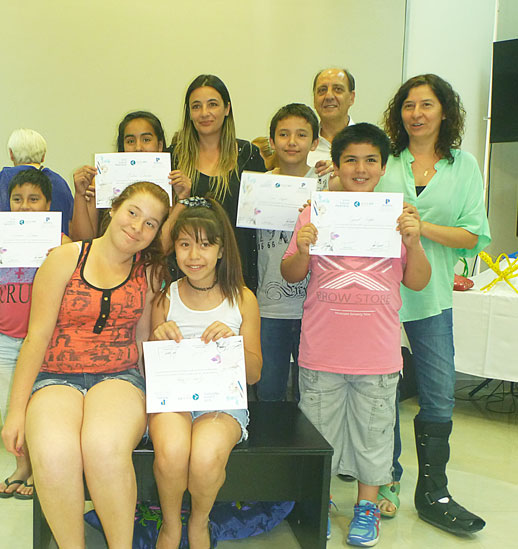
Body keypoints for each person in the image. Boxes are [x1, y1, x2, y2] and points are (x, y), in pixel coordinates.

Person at [282, 123, 431, 546]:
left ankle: (367, 505)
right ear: (336, 165)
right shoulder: (315, 213)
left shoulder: (399, 217)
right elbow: (291, 272)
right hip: (321, 350)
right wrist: (303, 249)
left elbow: (418, 281)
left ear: (383, 167)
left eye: (370, 160)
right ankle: (320, 501)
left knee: (373, 435)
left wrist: (414, 243)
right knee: (318, 434)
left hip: (377, 354)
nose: (360, 169)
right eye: (350, 160)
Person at [1, 181, 170, 548]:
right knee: (53, 452)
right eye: (133, 213)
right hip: (55, 377)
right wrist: (16, 412)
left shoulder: (150, 272)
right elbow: (36, 338)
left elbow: (143, 342)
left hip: (120, 376)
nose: (137, 227)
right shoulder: (64, 258)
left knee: (103, 446)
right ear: (114, 209)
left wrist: (157, 406)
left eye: (150, 223)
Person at [375, 74, 490, 535]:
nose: (416, 114)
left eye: (426, 105)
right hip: (379, 296)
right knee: (383, 391)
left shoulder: (464, 166)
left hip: (432, 294)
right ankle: (385, 479)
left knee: (440, 392)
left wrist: (421, 228)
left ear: (445, 111)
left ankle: (433, 492)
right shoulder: (385, 160)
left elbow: (473, 234)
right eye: (408, 105)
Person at [149, 197, 261, 549]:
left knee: (205, 456)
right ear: (174, 249)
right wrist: (157, 339)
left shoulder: (242, 299)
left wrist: (233, 345)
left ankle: (199, 522)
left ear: (221, 250)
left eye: (205, 244)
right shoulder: (165, 298)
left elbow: (254, 374)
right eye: (184, 244)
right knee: (172, 451)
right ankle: (171, 524)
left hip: (223, 403)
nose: (194, 255)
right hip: (174, 399)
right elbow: (150, 371)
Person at [0, 169, 71, 499]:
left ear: (48, 204)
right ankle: (22, 466)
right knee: (10, 410)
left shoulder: (62, 245)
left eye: (33, 199)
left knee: (42, 412)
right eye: (17, 199)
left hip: (47, 345)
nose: (25, 206)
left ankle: (41, 469)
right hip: (7, 341)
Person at [170, 74, 267, 292]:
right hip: (187, 272)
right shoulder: (173, 157)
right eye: (196, 106)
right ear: (189, 113)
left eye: (212, 104)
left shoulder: (248, 154)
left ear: (227, 108)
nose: (204, 113)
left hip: (238, 272)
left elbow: (267, 209)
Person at [255, 103, 323, 402]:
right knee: (269, 389)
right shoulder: (257, 186)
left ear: (315, 142)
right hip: (268, 306)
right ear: (272, 141)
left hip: (314, 307)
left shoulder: (327, 186)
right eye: (283, 134)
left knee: (311, 392)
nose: (292, 142)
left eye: (301, 135)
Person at [70, 110, 189, 240]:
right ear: (123, 147)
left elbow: (164, 245)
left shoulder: (172, 183)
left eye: (146, 140)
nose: (138, 147)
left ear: (160, 146)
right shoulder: (102, 181)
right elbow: (83, 242)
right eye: (131, 141)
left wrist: (182, 199)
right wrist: (80, 195)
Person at [0, 128, 73, 235]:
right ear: (43, 156)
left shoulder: (4, 178)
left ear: (11, 154)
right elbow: (70, 224)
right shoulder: (60, 182)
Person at [306, 67, 356, 168]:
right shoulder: (301, 145)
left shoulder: (368, 142)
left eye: (338, 89)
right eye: (322, 90)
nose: (329, 96)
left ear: (351, 98)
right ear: (314, 99)